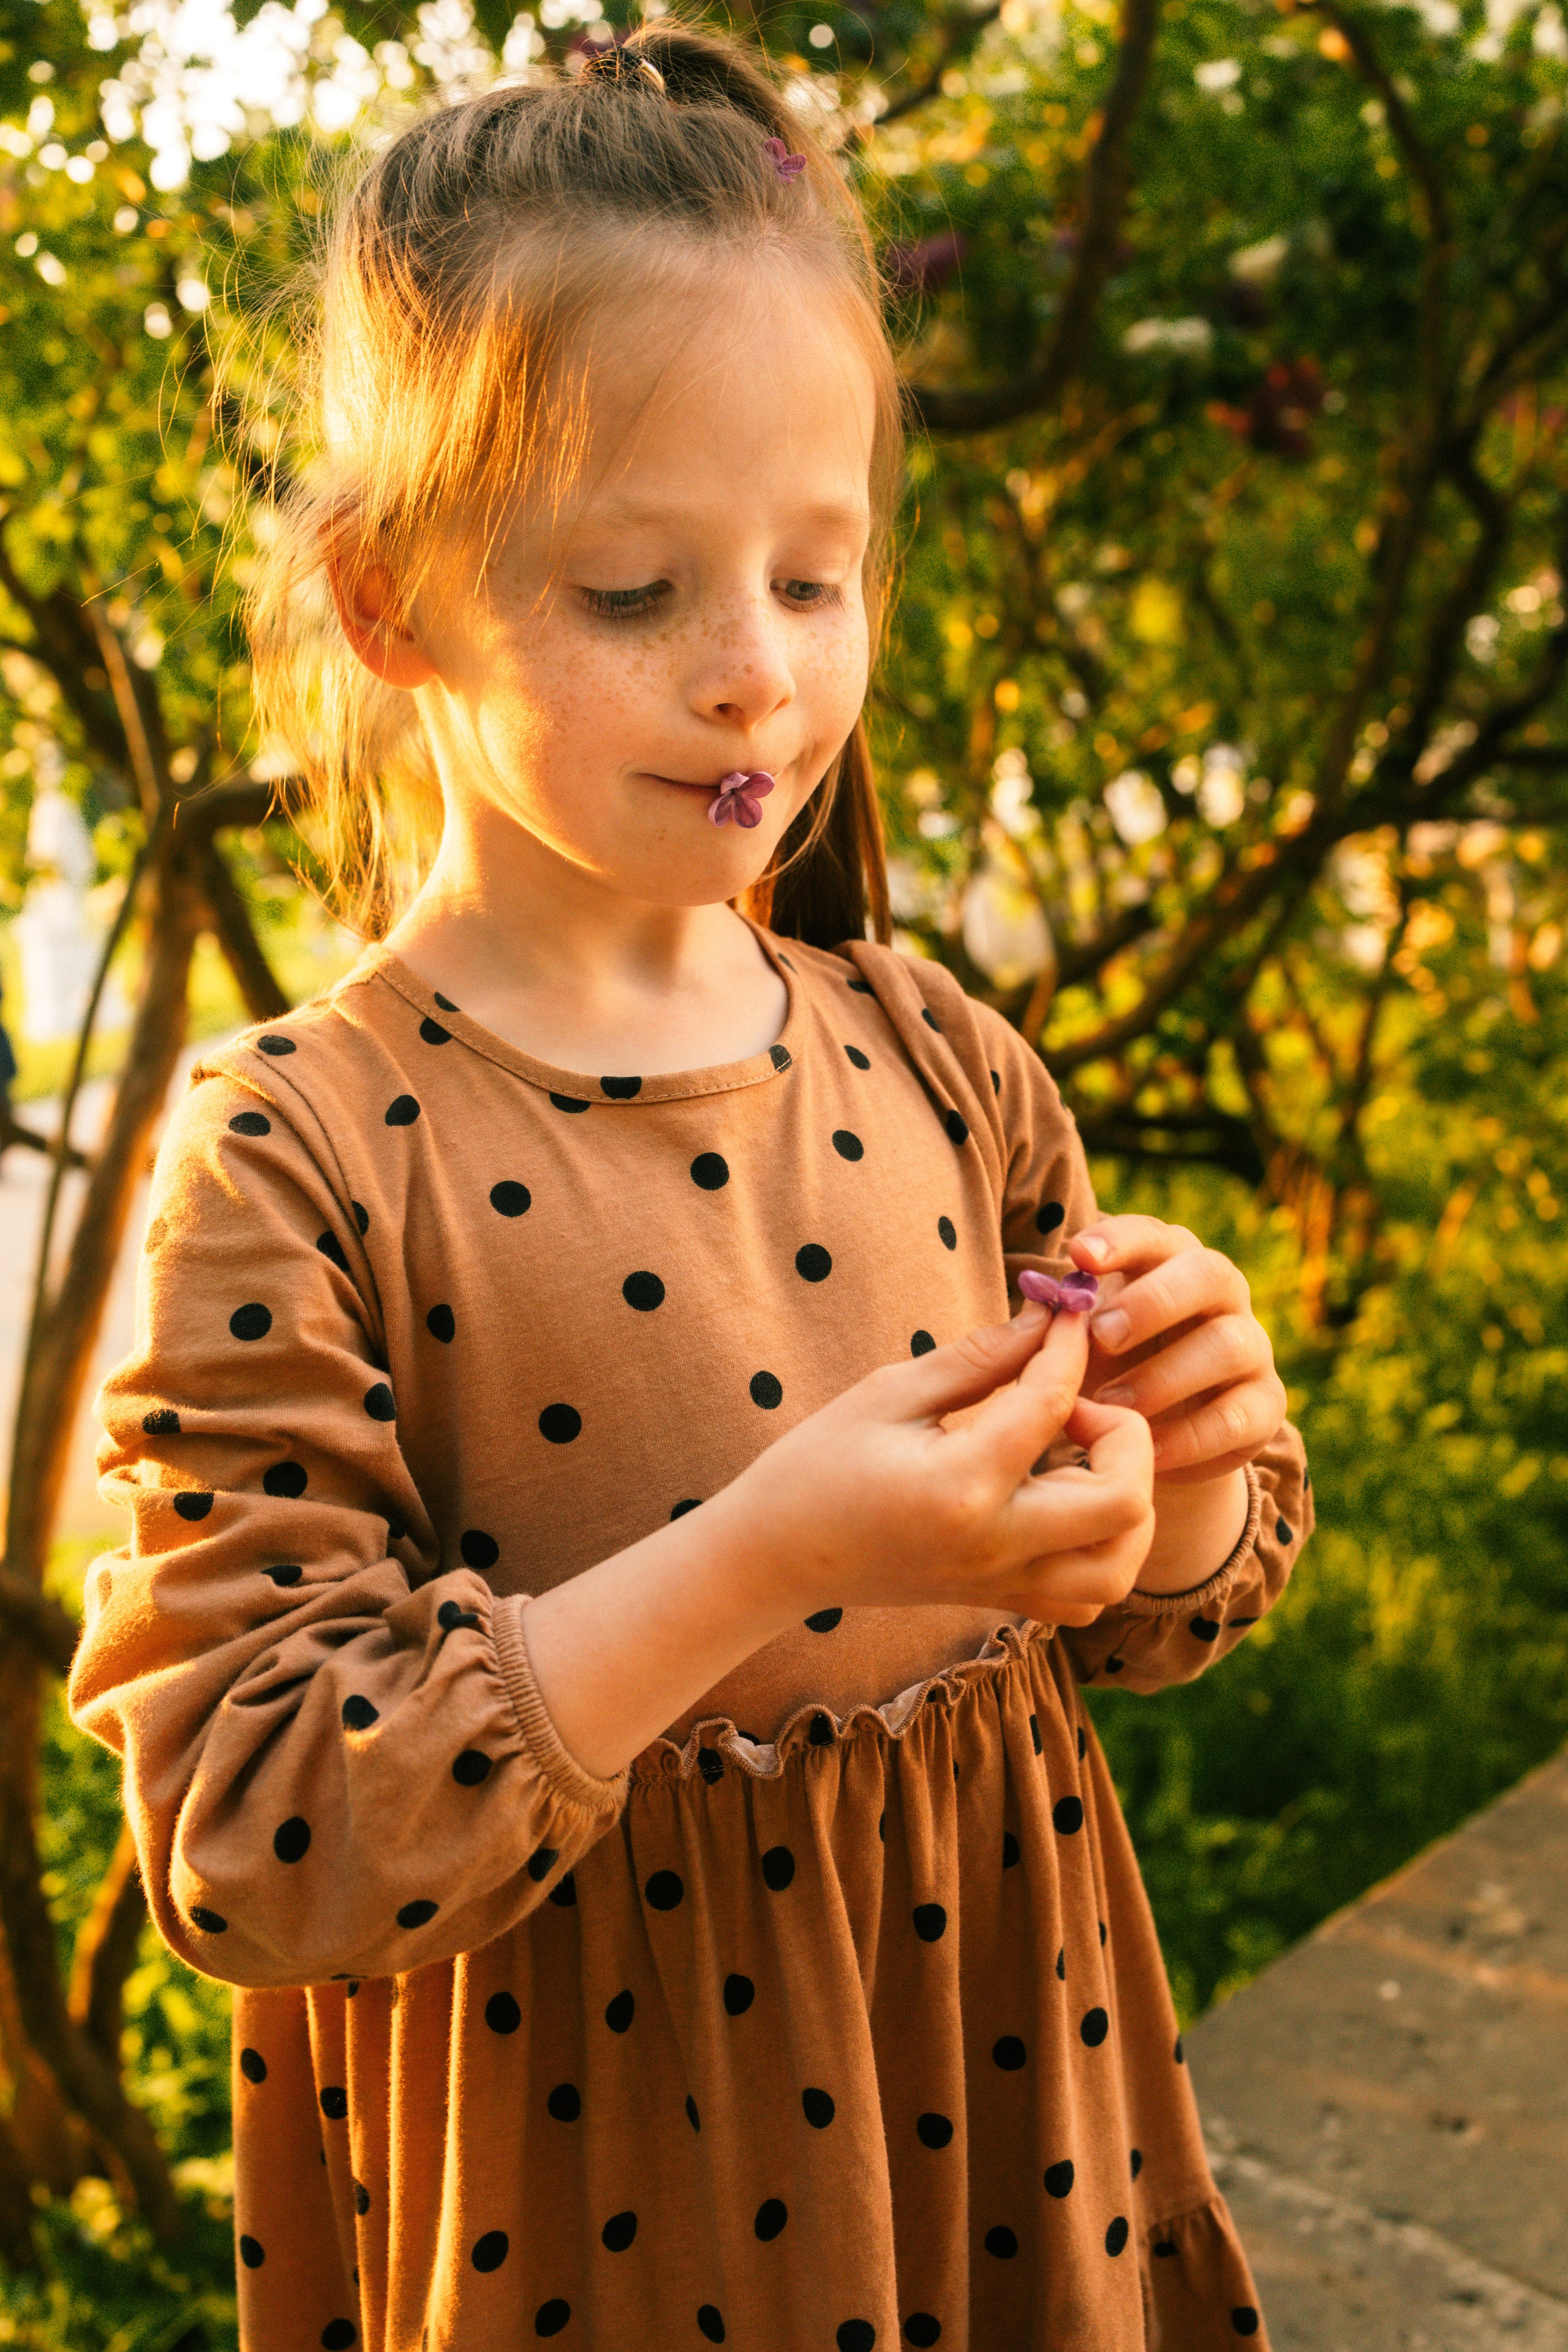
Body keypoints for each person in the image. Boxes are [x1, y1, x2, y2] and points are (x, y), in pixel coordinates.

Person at [69, 26, 1310, 2350]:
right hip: (598, 2208)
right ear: (383, 598)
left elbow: (1130, 1619)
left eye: (817, 579)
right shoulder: (299, 1155)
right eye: (634, 592)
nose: (757, 678)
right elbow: (254, 1832)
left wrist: (1183, 1485)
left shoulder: (935, 1058)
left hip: (1010, 2145)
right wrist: (766, 1561)